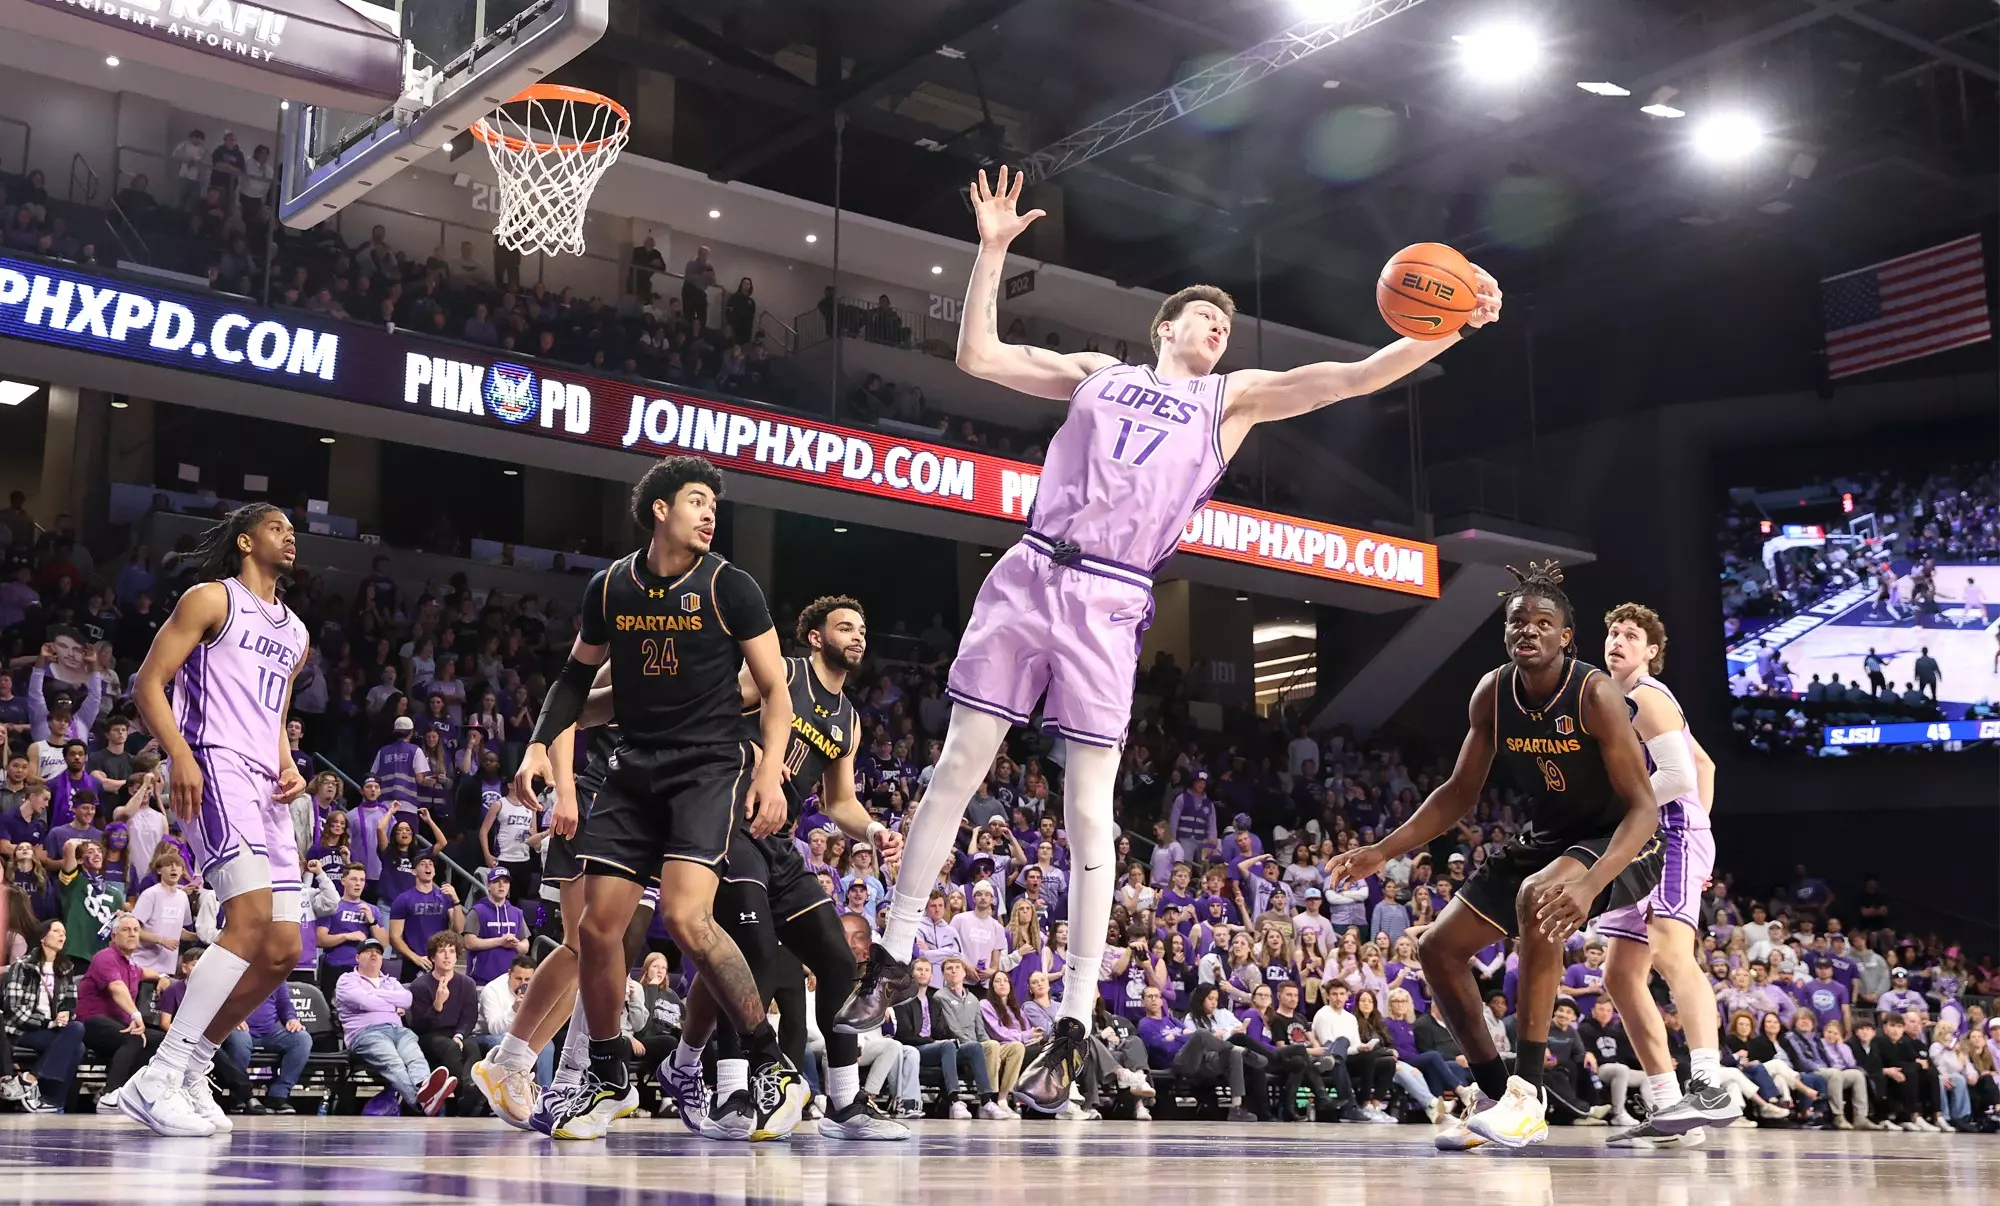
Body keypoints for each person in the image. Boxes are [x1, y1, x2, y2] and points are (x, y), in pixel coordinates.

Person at [832, 165, 1504, 1120]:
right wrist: (988, 255)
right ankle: (895, 957)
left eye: (1226, 323)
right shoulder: (1098, 376)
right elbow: (978, 358)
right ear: (1163, 328)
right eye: (1203, 318)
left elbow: (1352, 378)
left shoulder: (1233, 400)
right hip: (1027, 571)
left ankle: (1071, 1021)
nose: (1218, 328)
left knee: (1090, 816)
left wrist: (1443, 326)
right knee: (956, 769)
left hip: (1110, 596)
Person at [513, 455, 803, 1142]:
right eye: (697, 501)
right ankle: (610, 1076)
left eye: (714, 505)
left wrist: (767, 776)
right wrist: (536, 744)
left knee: (687, 919)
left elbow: (776, 689)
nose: (710, 514)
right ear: (660, 510)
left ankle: (770, 1061)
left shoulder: (732, 588)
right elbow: (573, 681)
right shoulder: (610, 587)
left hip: (705, 768)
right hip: (632, 766)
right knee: (594, 928)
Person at [1328, 562, 1659, 1151]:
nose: (1527, 631)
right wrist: (1383, 850)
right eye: (1516, 623)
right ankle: (1492, 1095)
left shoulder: (1595, 693)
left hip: (1619, 838)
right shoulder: (1494, 692)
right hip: (1550, 837)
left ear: (1566, 638)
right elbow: (1458, 792)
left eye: (1542, 623)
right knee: (1437, 948)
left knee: (1541, 894)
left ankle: (1527, 1098)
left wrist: (1588, 884)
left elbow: (1642, 809)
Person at [657, 598, 911, 1141]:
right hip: (729, 825)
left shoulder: (849, 719)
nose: (858, 636)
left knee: (840, 960)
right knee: (749, 955)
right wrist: (740, 757)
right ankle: (730, 1094)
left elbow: (840, 802)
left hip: (780, 843)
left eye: (863, 629)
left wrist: (873, 832)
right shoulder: (783, 674)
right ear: (816, 637)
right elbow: (709, 710)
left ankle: (844, 1105)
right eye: (845, 627)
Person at [117, 504, 310, 1137]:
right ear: (247, 541)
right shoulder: (210, 599)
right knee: (248, 920)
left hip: (267, 786)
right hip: (214, 764)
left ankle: (193, 1066)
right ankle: (157, 1073)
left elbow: (274, 715)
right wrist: (179, 755)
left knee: (283, 949)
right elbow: (149, 681)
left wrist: (289, 765)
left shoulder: (296, 634)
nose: (291, 537)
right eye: (279, 527)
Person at [1584, 603, 1739, 1147]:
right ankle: (1672, 1110)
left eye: (1631, 635)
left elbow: (1677, 775)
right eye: (1612, 632)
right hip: (1642, 840)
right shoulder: (1613, 701)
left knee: (1672, 953)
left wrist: (1695, 835)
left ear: (1650, 652)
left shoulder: (1647, 697)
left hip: (1669, 833)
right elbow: (1706, 766)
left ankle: (1711, 1085)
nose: (1618, 641)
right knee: (1620, 975)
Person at [335, 936, 454, 1115]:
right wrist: (392, 1004)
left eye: (378, 952)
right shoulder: (347, 980)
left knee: (415, 1059)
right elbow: (366, 1002)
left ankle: (425, 1089)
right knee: (394, 1063)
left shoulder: (391, 981)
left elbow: (406, 999)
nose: (374, 955)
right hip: (366, 1033)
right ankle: (422, 1104)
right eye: (369, 951)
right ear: (358, 957)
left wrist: (374, 994)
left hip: (398, 1031)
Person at [1, 919, 86, 1112]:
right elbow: (14, 1010)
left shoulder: (65, 967)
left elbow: (70, 1001)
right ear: (42, 937)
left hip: (54, 1030)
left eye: (64, 932)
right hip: (22, 1031)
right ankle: (46, 1094)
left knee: (78, 1045)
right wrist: (49, 1023)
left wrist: (66, 1013)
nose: (62, 935)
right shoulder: (23, 967)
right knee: (76, 1037)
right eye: (56, 931)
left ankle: (37, 1090)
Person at [407, 932, 480, 1115]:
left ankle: (468, 1094)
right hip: (429, 1036)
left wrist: (460, 1034)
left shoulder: (467, 984)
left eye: (452, 951)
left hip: (455, 1034)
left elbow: (469, 1017)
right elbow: (419, 1026)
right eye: (441, 951)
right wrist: (437, 1005)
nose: (447, 956)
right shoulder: (420, 985)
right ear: (432, 957)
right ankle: (465, 1096)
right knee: (450, 1048)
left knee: (472, 1047)